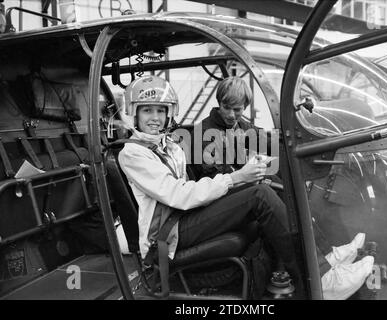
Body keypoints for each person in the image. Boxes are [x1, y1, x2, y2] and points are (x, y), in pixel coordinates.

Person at [117, 75, 302, 296]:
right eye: (147, 111)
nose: (155, 118)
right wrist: (236, 178)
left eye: (160, 111)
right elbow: (178, 194)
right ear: (134, 113)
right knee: (259, 195)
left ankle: (308, 264)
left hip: (183, 216)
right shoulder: (133, 153)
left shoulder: (170, 146)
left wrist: (246, 177)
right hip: (168, 232)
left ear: (168, 113)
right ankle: (308, 276)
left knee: (263, 189)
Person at [193, 76, 375, 300]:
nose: (231, 114)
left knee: (288, 190)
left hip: (235, 191)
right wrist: (245, 177)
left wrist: (302, 138)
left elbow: (268, 140)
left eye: (237, 110)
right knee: (272, 193)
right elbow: (213, 179)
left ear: (245, 108)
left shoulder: (238, 126)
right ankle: (324, 277)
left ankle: (327, 256)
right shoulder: (204, 132)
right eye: (226, 107)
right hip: (217, 201)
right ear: (218, 102)